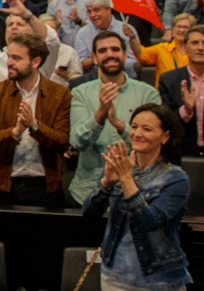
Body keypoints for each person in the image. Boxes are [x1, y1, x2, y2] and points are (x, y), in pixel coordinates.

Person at [82, 104, 193, 291]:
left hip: (158, 280)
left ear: (165, 137)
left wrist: (126, 180)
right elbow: (89, 214)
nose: (137, 133)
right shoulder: (122, 166)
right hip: (114, 274)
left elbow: (150, 222)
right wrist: (106, 184)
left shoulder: (176, 179)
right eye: (134, 127)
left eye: (147, 129)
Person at [69, 31, 162, 205]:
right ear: (94, 58)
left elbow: (153, 142)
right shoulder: (80, 93)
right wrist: (100, 115)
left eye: (115, 49)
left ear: (125, 55)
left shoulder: (148, 94)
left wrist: (120, 125)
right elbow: (77, 142)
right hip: (88, 193)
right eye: (103, 51)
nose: (110, 54)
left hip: (137, 192)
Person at [0, 33, 71, 208]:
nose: (9, 62)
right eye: (9, 56)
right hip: (5, 187)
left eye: (16, 58)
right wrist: (14, 133)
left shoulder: (59, 94)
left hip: (47, 187)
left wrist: (34, 126)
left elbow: (63, 142)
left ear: (36, 62)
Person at [156, 24, 204, 157]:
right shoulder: (168, 80)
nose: (200, 48)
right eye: (195, 43)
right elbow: (164, 122)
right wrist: (186, 110)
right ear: (185, 47)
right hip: (181, 154)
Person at [74, 0, 139, 78]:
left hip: (126, 78)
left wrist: (111, 61)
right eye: (89, 11)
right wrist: (95, 60)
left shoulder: (127, 30)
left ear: (108, 10)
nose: (92, 15)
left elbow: (135, 61)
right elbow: (79, 65)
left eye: (96, 10)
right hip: (94, 81)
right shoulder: (83, 33)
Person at [132, 13, 194, 87]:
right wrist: (132, 38)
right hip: (165, 93)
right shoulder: (162, 48)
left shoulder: (197, 51)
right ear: (172, 30)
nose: (182, 30)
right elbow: (141, 54)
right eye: (178, 26)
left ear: (193, 31)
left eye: (186, 27)